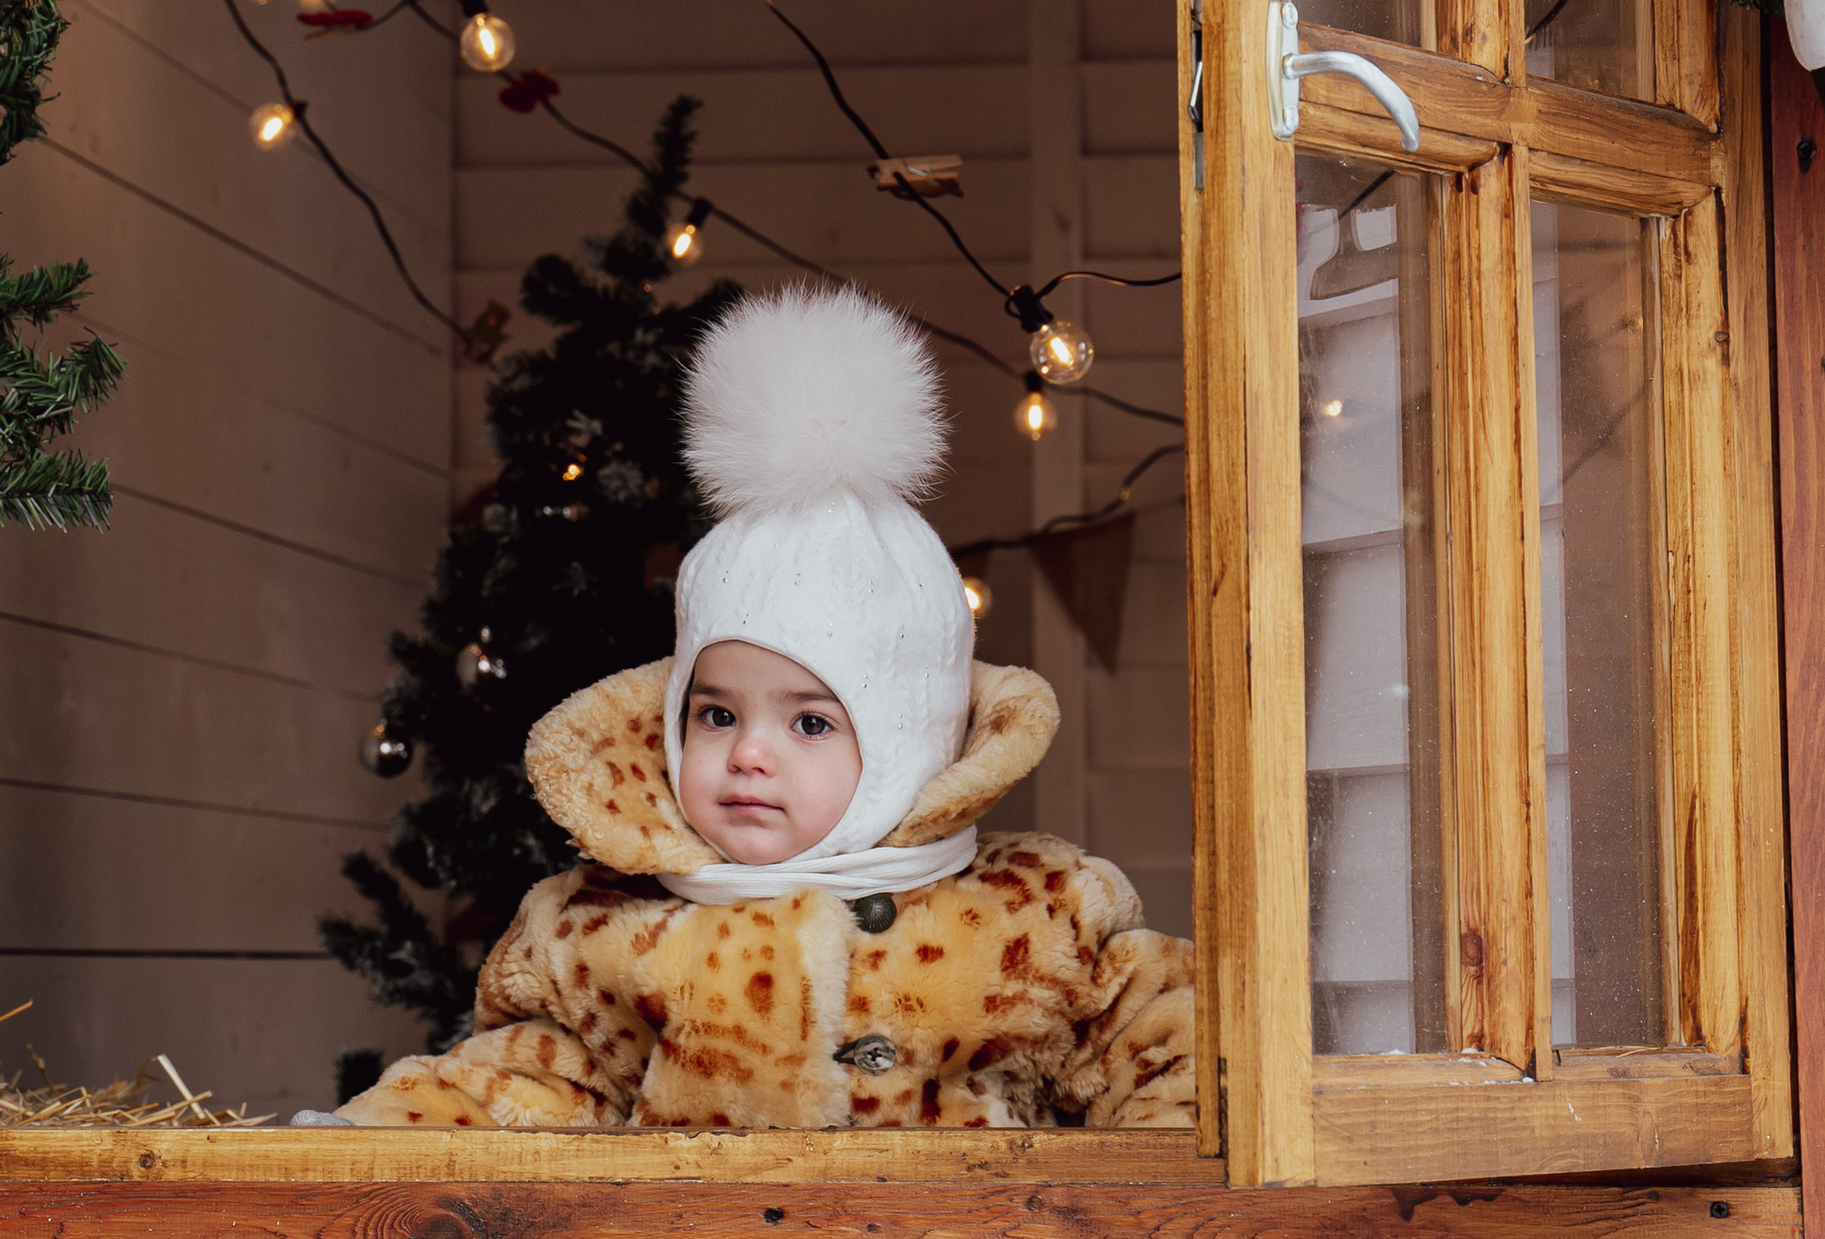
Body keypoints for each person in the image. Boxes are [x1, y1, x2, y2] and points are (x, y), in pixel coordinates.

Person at [324, 285, 1196, 1133]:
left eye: (810, 723)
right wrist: (358, 1149)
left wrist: (1136, 1233)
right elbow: (513, 1087)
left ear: (908, 746)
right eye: (716, 715)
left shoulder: (1035, 917)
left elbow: (1170, 1054)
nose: (748, 754)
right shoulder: (607, 931)